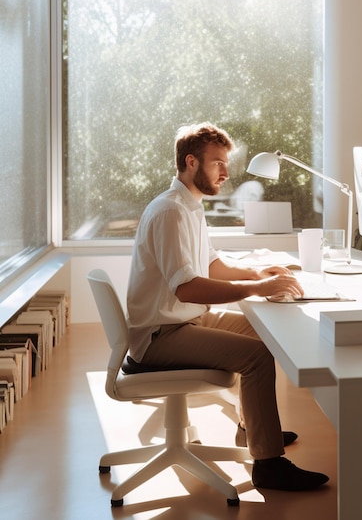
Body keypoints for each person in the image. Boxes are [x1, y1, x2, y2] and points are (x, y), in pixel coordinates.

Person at [126, 122, 329, 491]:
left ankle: (252, 429)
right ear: (191, 162)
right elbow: (187, 288)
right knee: (256, 357)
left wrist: (256, 273)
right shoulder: (170, 211)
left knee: (266, 335)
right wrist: (256, 288)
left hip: (184, 322)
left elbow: (211, 265)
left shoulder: (189, 205)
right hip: (159, 335)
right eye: (217, 162)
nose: (226, 171)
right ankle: (268, 465)